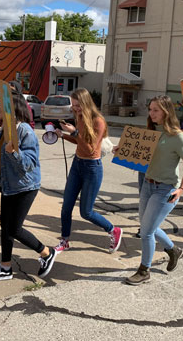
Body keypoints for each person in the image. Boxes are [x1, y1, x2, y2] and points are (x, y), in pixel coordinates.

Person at [0, 94, 57, 282]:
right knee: (5, 226)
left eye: (1, 106)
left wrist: (14, 153)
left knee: (15, 229)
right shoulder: (5, 130)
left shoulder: (24, 130)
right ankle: (5, 267)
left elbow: (30, 163)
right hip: (9, 187)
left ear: (13, 109)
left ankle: (46, 253)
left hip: (25, 187)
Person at [126, 95, 183, 285]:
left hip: (166, 189)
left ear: (166, 111)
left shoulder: (178, 136)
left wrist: (181, 189)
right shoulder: (150, 131)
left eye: (155, 109)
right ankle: (173, 250)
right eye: (150, 109)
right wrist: (124, 151)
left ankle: (144, 270)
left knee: (146, 231)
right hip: (147, 185)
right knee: (149, 227)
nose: (151, 113)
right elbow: (141, 156)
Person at [55, 87, 123, 254]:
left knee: (86, 212)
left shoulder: (98, 121)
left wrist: (75, 132)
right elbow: (79, 143)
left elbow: (91, 149)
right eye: (73, 105)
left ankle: (113, 230)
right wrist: (62, 135)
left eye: (78, 105)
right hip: (77, 164)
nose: (75, 108)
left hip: (92, 168)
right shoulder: (79, 117)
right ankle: (64, 240)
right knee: (66, 206)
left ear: (86, 103)